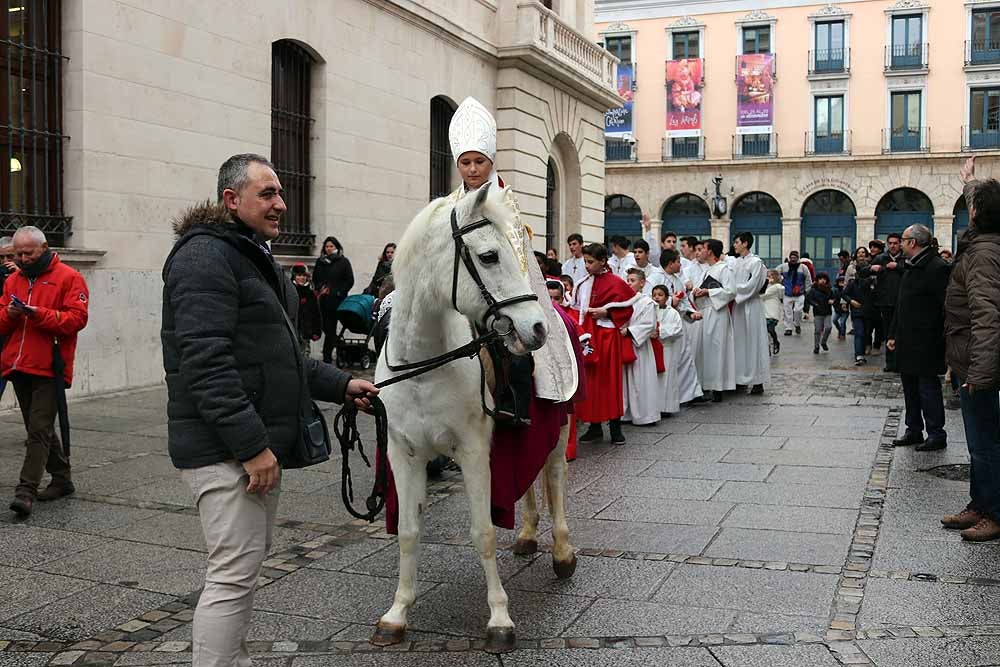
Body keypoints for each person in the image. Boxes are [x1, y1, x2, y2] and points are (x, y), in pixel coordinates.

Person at [162, 154, 378, 667]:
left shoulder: (253, 256)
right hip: (227, 449)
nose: (280, 203)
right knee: (232, 574)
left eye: (280, 193)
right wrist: (252, 447)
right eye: (267, 193)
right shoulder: (205, 258)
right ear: (231, 200)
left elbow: (286, 358)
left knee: (243, 570)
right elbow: (205, 362)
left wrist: (344, 383)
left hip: (252, 446)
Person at [2, 227, 89, 518]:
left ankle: (25, 491)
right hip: (18, 364)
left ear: (44, 248)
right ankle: (62, 478)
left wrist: (38, 314)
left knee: (38, 429)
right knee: (38, 427)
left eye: (29, 253)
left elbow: (76, 319)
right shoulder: (13, 280)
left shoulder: (69, 277)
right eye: (19, 254)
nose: (23, 259)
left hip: (50, 365)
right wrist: (10, 315)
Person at [942, 157, 1000, 541]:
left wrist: (978, 374)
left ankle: (993, 512)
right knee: (978, 440)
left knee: (985, 442)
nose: (968, 210)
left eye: (970, 205)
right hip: (969, 360)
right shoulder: (982, 242)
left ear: (977, 213)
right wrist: (969, 181)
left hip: (979, 365)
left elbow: (988, 318)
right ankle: (979, 504)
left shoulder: (982, 255)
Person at [887, 223, 950, 452]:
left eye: (903, 240)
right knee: (910, 388)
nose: (900, 244)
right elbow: (901, 304)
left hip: (926, 342)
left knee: (927, 388)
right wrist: (893, 333)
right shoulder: (911, 267)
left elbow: (945, 307)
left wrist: (939, 338)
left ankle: (936, 433)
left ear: (912, 242)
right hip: (906, 339)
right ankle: (913, 429)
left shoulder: (936, 267)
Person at [574, 243, 634, 445]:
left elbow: (627, 310)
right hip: (589, 337)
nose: (587, 265)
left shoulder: (616, 282)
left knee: (610, 382)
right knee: (591, 382)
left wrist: (607, 312)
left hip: (607, 337)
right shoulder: (583, 283)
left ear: (602, 261)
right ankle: (594, 426)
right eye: (585, 261)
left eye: (590, 262)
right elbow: (575, 310)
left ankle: (615, 427)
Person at [618, 268, 666, 426]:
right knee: (625, 382)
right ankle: (626, 413)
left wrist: (629, 331)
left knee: (641, 381)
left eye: (632, 280)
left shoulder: (647, 303)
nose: (628, 283)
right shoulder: (622, 301)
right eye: (628, 280)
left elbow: (648, 325)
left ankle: (646, 415)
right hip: (625, 345)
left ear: (642, 283)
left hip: (641, 347)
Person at [692, 239, 736, 402]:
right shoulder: (706, 270)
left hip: (717, 314)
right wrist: (696, 292)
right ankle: (705, 384)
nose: (700, 251)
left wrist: (709, 292)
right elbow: (699, 289)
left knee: (717, 349)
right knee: (704, 349)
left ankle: (717, 387)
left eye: (702, 248)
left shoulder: (724, 269)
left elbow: (731, 291)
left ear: (710, 252)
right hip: (704, 312)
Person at [659, 248, 704, 404]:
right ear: (670, 263)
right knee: (670, 360)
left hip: (679, 323)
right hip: (664, 324)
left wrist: (691, 313)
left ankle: (690, 394)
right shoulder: (655, 278)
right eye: (678, 262)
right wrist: (671, 301)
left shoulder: (677, 280)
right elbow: (651, 299)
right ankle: (669, 396)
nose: (680, 265)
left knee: (685, 356)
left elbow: (684, 301)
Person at [730, 232, 770, 395]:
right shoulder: (735, 262)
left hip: (751, 305)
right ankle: (740, 378)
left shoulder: (756, 263)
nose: (735, 245)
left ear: (745, 244)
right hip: (738, 307)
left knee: (753, 342)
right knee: (739, 342)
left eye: (737, 242)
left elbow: (753, 285)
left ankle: (757, 380)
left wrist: (732, 291)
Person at [861, 233, 905, 372]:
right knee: (888, 333)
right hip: (885, 301)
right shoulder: (881, 258)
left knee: (901, 332)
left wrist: (898, 267)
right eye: (890, 243)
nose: (892, 246)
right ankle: (890, 362)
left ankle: (900, 362)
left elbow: (913, 273)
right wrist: (871, 269)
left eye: (895, 243)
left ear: (900, 244)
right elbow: (862, 273)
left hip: (902, 301)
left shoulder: (905, 258)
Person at [313, 236, 354, 363]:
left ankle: (327, 357)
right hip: (323, 301)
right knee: (326, 328)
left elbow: (349, 281)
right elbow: (315, 279)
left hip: (337, 302)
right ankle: (339, 345)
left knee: (330, 328)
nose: (329, 249)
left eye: (331, 246)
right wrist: (320, 288)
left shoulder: (343, 262)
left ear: (336, 247)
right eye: (327, 246)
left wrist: (338, 292)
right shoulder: (320, 262)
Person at [650, 284, 686, 416]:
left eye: (660, 295)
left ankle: (666, 407)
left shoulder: (672, 312)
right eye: (654, 295)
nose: (656, 297)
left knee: (667, 377)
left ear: (667, 297)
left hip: (667, 348)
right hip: (653, 348)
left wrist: (660, 331)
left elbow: (677, 329)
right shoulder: (650, 310)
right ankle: (654, 406)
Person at [844, 247, 876, 366]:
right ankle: (859, 355)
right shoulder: (853, 282)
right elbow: (844, 293)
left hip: (869, 311)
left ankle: (862, 352)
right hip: (857, 311)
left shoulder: (872, 282)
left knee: (866, 333)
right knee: (859, 332)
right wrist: (851, 301)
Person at [776, 250, 811, 335]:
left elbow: (808, 279)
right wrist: (778, 281)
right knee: (787, 312)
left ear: (798, 258)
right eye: (791, 257)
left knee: (798, 310)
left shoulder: (803, 267)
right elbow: (775, 273)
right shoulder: (784, 267)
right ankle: (788, 328)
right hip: (787, 293)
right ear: (789, 258)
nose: (793, 259)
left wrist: (807, 290)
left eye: (794, 257)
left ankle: (797, 324)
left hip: (800, 293)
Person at [291, 264, 322, 357]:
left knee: (305, 356)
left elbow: (316, 313)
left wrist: (317, 330)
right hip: (292, 329)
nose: (302, 278)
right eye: (299, 275)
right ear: (294, 276)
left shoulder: (310, 293)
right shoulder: (289, 291)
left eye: (304, 275)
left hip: (306, 330)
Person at [806, 272, 835, 354]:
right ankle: (816, 346)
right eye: (820, 279)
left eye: (824, 279)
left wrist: (832, 301)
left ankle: (823, 341)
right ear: (817, 280)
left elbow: (834, 297)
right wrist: (815, 304)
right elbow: (809, 299)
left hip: (827, 312)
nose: (822, 281)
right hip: (818, 312)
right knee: (817, 330)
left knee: (828, 327)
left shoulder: (829, 289)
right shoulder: (813, 290)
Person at [762, 269, 783, 355]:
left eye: (770, 276)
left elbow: (763, 295)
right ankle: (768, 348)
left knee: (770, 329)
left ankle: (775, 342)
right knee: (765, 331)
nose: (768, 277)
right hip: (765, 311)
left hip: (772, 312)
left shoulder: (776, 287)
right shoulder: (767, 286)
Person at [832, 275, 850, 340]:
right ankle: (840, 330)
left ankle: (842, 334)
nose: (842, 283)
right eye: (840, 282)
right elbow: (834, 298)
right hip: (838, 310)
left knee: (842, 322)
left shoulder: (847, 289)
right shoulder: (835, 290)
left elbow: (848, 299)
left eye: (843, 282)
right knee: (834, 320)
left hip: (845, 310)